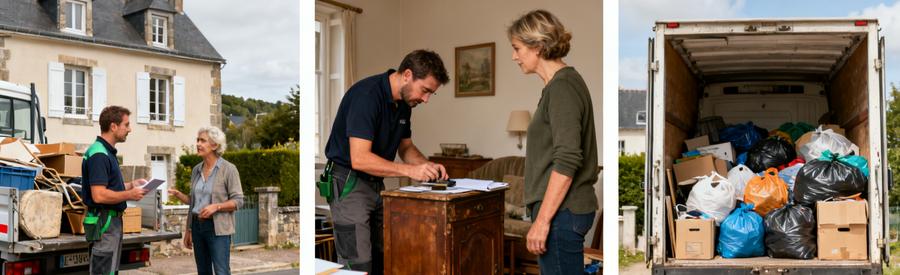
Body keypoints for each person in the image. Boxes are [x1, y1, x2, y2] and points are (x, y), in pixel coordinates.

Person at [318, 49, 450, 274]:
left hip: (376, 184)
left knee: (385, 255)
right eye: (425, 91)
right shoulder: (367, 96)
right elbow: (359, 159)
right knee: (357, 264)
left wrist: (426, 166)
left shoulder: (405, 105)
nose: (426, 99)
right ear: (407, 75)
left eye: (431, 94)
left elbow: (406, 147)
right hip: (348, 182)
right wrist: (410, 171)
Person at [507, 9, 599, 274]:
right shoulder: (557, 86)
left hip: (562, 212)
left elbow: (568, 159)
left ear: (537, 45)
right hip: (562, 212)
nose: (514, 56)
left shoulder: (562, 87)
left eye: (517, 48)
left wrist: (542, 221)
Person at [169, 126, 244, 275]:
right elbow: (194, 203)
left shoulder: (229, 169)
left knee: (221, 271)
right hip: (197, 227)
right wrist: (188, 229)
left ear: (214, 145)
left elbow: (238, 201)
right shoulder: (196, 169)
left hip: (217, 229)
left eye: (202, 141)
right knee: (203, 271)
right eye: (197, 140)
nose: (198, 144)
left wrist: (216, 207)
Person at [82, 106, 149, 275]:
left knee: (110, 271)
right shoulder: (99, 155)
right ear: (113, 126)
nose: (129, 129)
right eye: (126, 125)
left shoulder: (106, 153)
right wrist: (130, 194)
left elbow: (111, 188)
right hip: (105, 223)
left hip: (111, 223)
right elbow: (99, 195)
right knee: (103, 271)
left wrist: (132, 185)